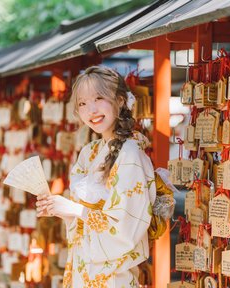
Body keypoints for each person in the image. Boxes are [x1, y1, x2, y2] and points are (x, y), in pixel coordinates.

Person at [36, 66, 156, 288]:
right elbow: (82, 226)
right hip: (84, 266)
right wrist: (60, 210)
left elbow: (124, 229)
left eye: (99, 98)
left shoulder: (129, 153)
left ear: (120, 100)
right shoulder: (89, 152)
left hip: (112, 277)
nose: (90, 110)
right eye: (82, 103)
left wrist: (74, 209)